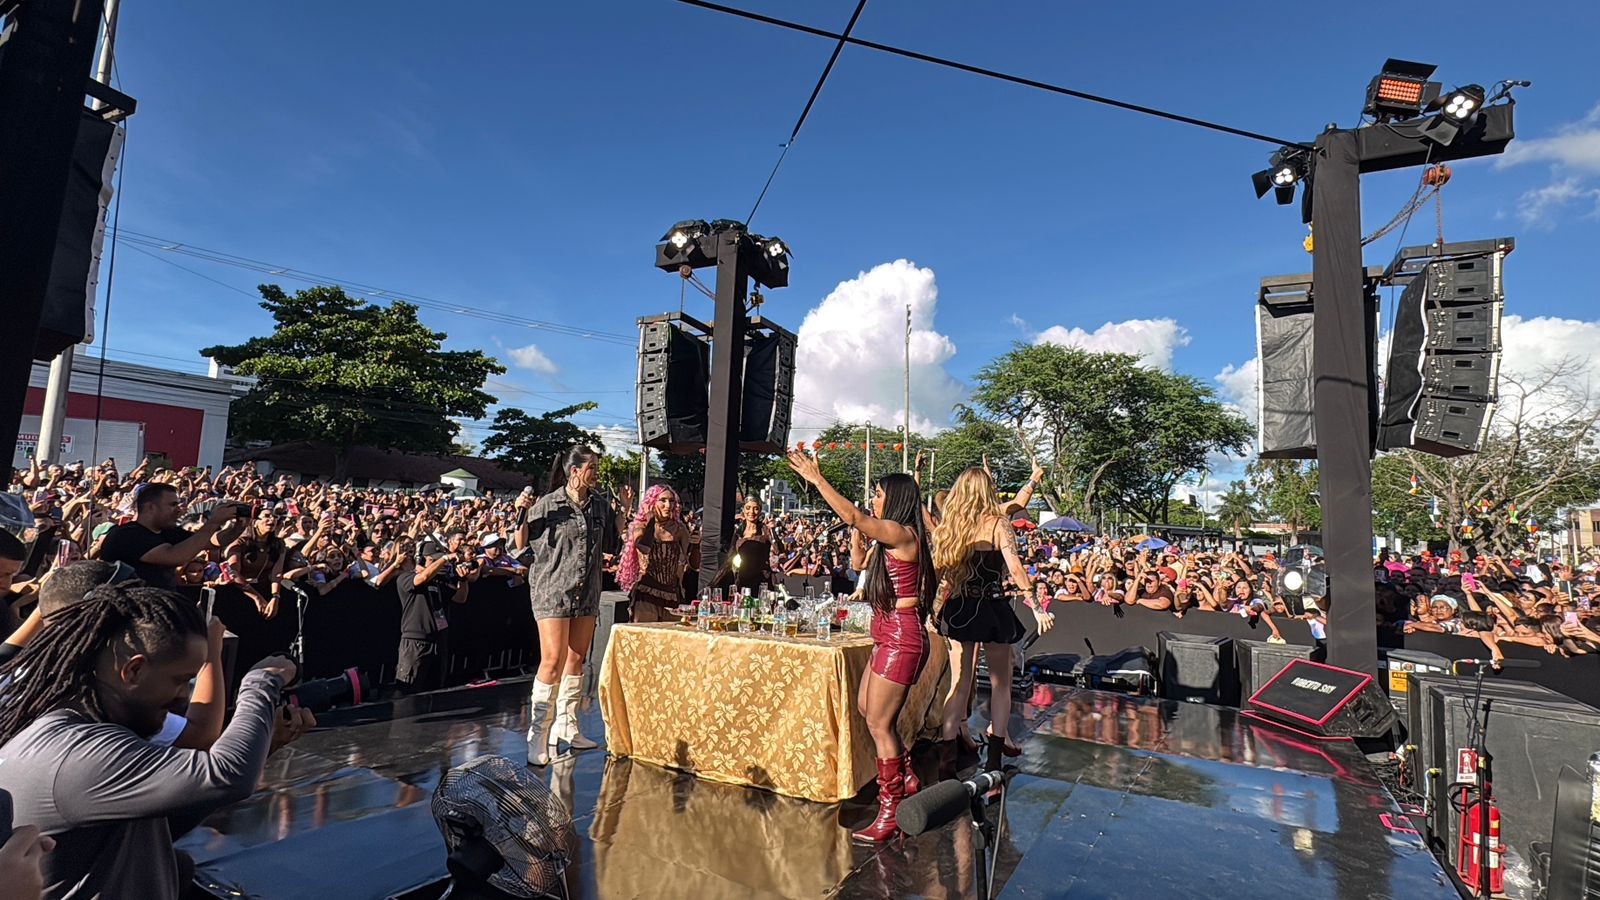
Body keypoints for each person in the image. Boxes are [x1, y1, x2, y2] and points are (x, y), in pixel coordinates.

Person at [0, 584, 312, 900]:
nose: (183, 697)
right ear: (133, 670)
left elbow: (155, 825)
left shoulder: (71, 733)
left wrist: (265, 744)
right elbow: (228, 774)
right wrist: (260, 682)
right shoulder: (75, 754)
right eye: (179, 681)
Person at [786, 449, 935, 843]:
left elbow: (855, 516)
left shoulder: (904, 534)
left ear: (897, 499)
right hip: (887, 630)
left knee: (879, 723)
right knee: (868, 709)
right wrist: (858, 529)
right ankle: (905, 776)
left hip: (902, 634)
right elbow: (857, 558)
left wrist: (818, 480)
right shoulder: (887, 539)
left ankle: (891, 809)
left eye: (879, 494)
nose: (874, 499)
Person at [931, 467, 1054, 767]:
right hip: (991, 606)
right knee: (1001, 684)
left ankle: (947, 764)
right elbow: (1015, 569)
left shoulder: (951, 527)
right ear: (987, 490)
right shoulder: (997, 523)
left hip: (959, 607)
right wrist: (1036, 605)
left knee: (959, 684)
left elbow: (940, 577)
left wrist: (932, 611)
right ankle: (994, 762)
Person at [518, 446, 627, 766]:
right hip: (552, 590)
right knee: (552, 659)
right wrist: (521, 512)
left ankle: (567, 725)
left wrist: (623, 514)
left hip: (586, 592)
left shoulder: (600, 506)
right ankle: (538, 734)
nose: (596, 473)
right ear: (574, 471)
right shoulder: (548, 504)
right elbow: (518, 546)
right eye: (591, 467)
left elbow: (612, 547)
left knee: (577, 660)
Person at [95, 484, 243, 589]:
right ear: (150, 507)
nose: (179, 511)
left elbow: (210, 542)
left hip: (158, 607)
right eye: (172, 505)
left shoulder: (167, 531)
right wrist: (213, 522)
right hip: (131, 612)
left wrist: (239, 526)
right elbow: (175, 556)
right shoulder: (126, 535)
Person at [393, 535, 470, 694]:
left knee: (435, 690)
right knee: (409, 689)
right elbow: (422, 577)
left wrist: (463, 580)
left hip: (438, 640)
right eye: (432, 560)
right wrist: (444, 559)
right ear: (420, 560)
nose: (438, 564)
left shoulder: (439, 582)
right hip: (416, 641)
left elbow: (460, 598)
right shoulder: (405, 578)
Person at [618, 485, 689, 624]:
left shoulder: (680, 529)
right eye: (662, 500)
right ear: (652, 503)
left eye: (671, 501)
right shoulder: (641, 527)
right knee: (646, 640)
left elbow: (693, 563)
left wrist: (697, 544)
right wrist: (650, 522)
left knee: (671, 643)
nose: (668, 505)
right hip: (647, 594)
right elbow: (644, 548)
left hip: (673, 595)